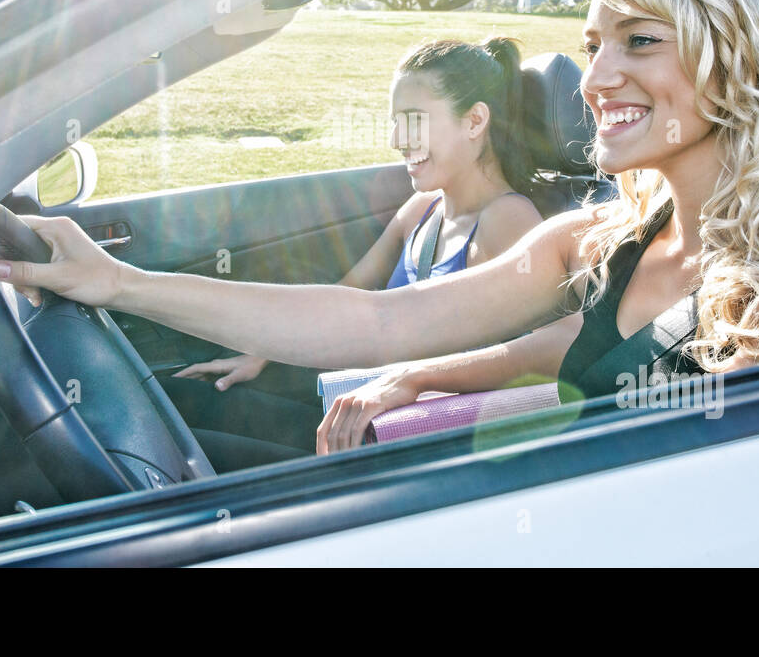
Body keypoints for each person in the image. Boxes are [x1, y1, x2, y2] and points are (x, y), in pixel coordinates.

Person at [0, 0, 759, 461]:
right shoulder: (598, 242)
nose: (598, 77)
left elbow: (687, 434)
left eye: (640, 41)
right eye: (592, 43)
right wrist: (118, 286)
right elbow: (376, 324)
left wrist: (439, 423)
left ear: (745, 65)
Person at [132, 36, 577, 469]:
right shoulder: (424, 207)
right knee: (179, 401)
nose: (396, 139)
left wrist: (417, 379)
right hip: (358, 399)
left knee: (182, 446)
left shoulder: (508, 220)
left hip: (405, 437)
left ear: (475, 121)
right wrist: (260, 353)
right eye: (394, 121)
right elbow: (351, 294)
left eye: (413, 120)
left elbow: (556, 351)